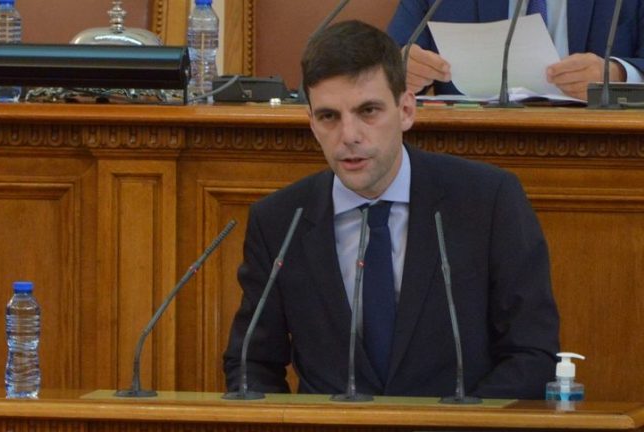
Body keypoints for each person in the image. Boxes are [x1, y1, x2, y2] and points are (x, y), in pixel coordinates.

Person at [223, 20, 560, 398]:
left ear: (406, 110)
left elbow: (532, 354)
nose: (349, 136)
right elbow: (251, 363)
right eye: (329, 116)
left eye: (368, 111)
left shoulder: (487, 201)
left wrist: (458, 422)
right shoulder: (280, 221)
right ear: (312, 123)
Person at [388, 0, 644, 100]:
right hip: (468, 149)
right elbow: (385, 62)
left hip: (604, 150)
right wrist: (402, 72)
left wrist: (618, 75)